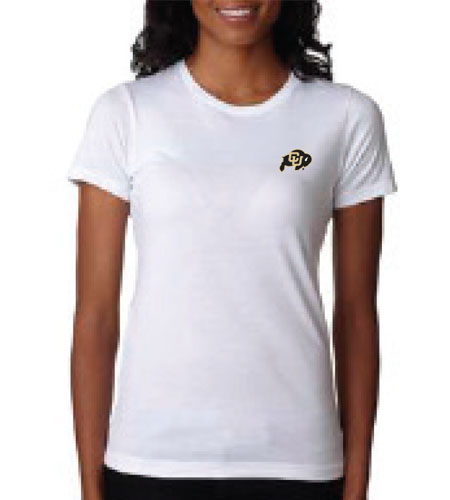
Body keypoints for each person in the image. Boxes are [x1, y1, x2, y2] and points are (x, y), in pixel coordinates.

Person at [67, 1, 398, 500]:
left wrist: (357, 484)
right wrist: (91, 488)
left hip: (297, 464)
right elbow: (95, 316)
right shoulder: (126, 113)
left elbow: (356, 314)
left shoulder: (346, 117)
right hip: (152, 461)